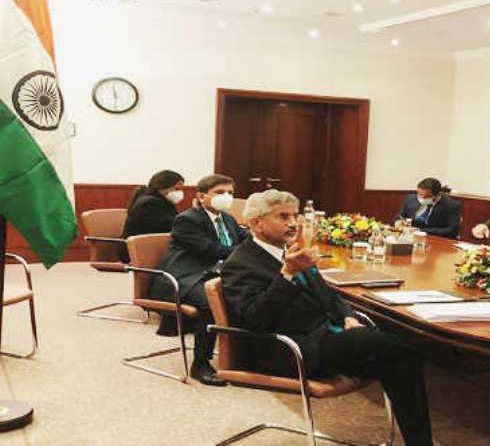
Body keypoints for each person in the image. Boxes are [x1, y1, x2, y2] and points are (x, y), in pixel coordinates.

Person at [221, 190, 433, 446]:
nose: (293, 223)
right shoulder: (240, 263)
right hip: (289, 349)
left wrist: (348, 317)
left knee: (400, 360)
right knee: (399, 348)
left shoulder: (293, 251)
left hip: (326, 337)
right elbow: (256, 318)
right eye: (283, 217)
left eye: (295, 216)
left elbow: (329, 296)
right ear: (257, 223)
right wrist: (287, 274)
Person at [150, 174, 248, 386]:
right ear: (201, 196)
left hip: (214, 273)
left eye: (230, 193)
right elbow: (213, 250)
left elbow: (245, 242)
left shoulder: (228, 219)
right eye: (220, 192)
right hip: (184, 277)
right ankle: (200, 363)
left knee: (250, 291)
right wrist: (247, 252)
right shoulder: (188, 219)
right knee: (211, 301)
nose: (227, 197)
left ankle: (242, 356)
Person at [121, 170, 184, 262]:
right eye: (176, 189)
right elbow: (170, 225)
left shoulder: (161, 200)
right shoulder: (149, 203)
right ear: (163, 186)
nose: (179, 192)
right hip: (138, 250)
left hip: (152, 246)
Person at [396, 178, 462, 239]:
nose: (421, 198)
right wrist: (398, 222)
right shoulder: (411, 199)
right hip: (410, 237)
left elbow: (452, 230)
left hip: (436, 239)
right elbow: (400, 217)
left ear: (438, 194)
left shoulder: (451, 206)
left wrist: (420, 230)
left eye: (426, 197)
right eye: (419, 194)